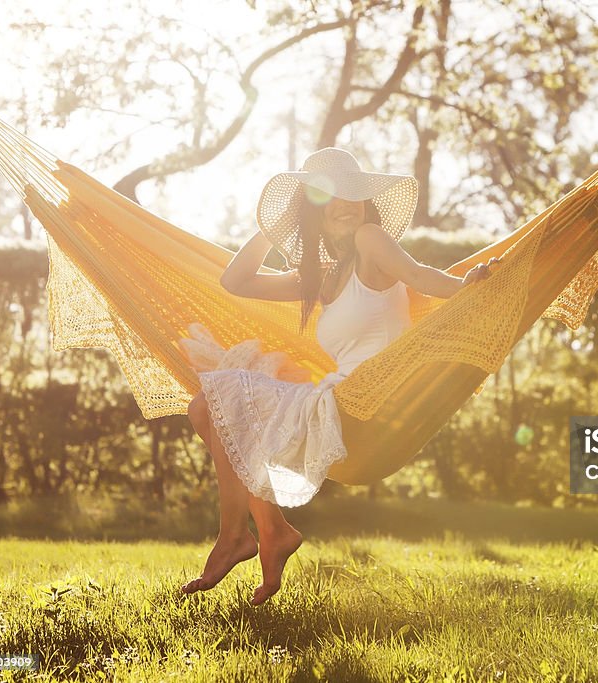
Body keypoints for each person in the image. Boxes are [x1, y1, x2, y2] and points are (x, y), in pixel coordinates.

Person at [180, 148, 499, 605]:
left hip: (371, 403)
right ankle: (269, 533)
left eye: (353, 193)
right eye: (328, 197)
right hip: (342, 402)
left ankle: (240, 535)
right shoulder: (323, 277)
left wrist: (465, 286)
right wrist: (280, 224)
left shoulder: (372, 240)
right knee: (205, 406)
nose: (344, 203)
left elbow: (418, 274)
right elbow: (236, 281)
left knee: (220, 397)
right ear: (315, 217)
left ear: (367, 204)